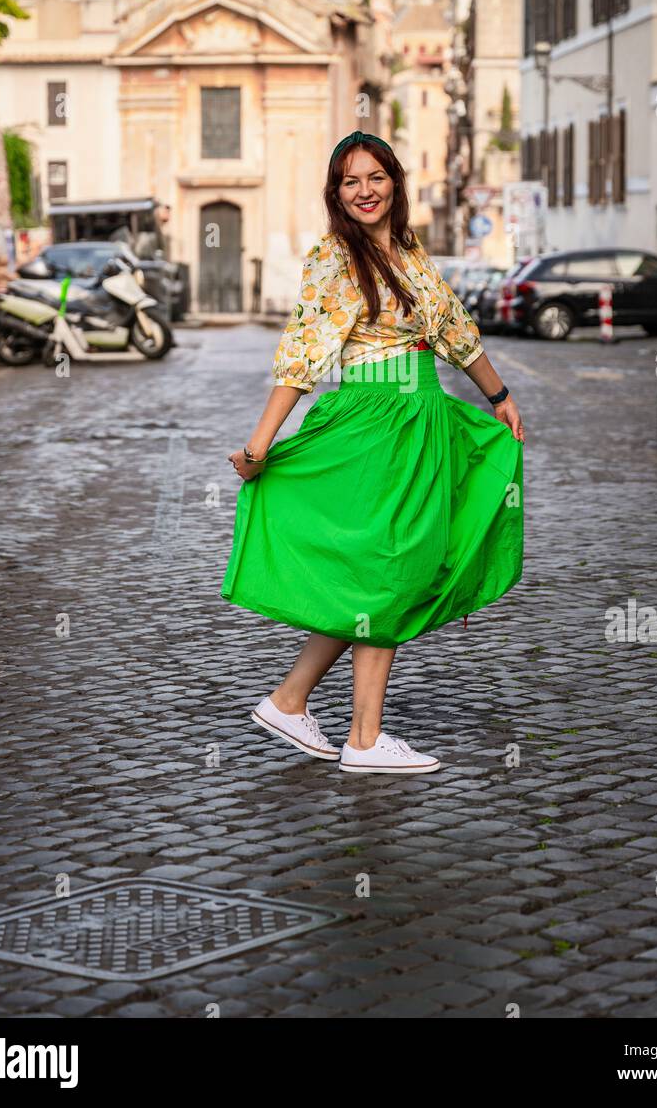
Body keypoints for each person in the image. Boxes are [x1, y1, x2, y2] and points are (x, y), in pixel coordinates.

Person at [220, 130, 525, 776]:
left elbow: (453, 330)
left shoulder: (410, 252)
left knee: (380, 574)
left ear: (394, 184)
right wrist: (259, 442)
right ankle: (360, 738)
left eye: (375, 178)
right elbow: (302, 353)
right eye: (350, 181)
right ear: (336, 193)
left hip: (421, 420)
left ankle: (292, 699)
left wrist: (497, 394)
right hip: (373, 422)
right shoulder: (334, 257)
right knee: (390, 572)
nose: (364, 191)